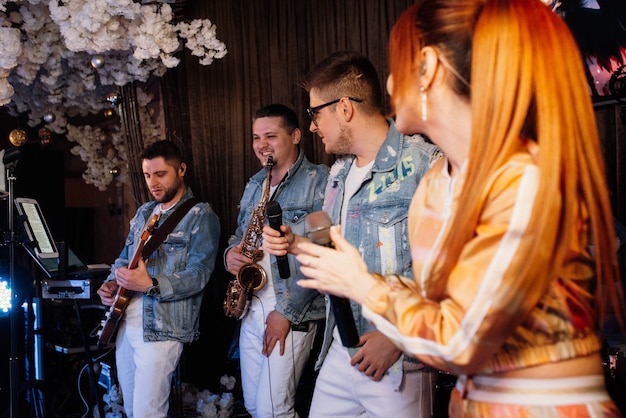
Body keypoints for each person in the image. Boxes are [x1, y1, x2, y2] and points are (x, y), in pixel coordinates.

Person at [291, 1, 626, 417]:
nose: (390, 85)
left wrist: (364, 286)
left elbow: (462, 340)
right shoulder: (437, 185)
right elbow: (440, 304)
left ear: (428, 67)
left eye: (397, 67)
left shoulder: (525, 181)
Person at [263, 51, 442, 417]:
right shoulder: (338, 174)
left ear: (344, 108)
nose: (312, 126)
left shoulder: (426, 165)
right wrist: (293, 243)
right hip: (340, 350)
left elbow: (449, 266)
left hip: (397, 360)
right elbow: (334, 247)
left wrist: (398, 339)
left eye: (315, 113)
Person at [97, 140, 220, 418]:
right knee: (131, 409)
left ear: (181, 170)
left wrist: (150, 284)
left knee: (147, 413)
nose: (153, 182)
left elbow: (199, 276)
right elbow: (124, 258)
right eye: (147, 175)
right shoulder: (144, 213)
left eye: (160, 174)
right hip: (125, 322)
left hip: (164, 326)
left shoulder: (201, 216)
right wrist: (112, 283)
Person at [224, 104, 328, 417]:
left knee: (273, 410)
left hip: (292, 310)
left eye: (270, 135)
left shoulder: (321, 181)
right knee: (255, 407)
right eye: (256, 137)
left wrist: (286, 312)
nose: (261, 144)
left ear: (296, 135)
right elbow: (239, 236)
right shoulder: (255, 184)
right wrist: (230, 254)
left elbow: (324, 253)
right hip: (251, 309)